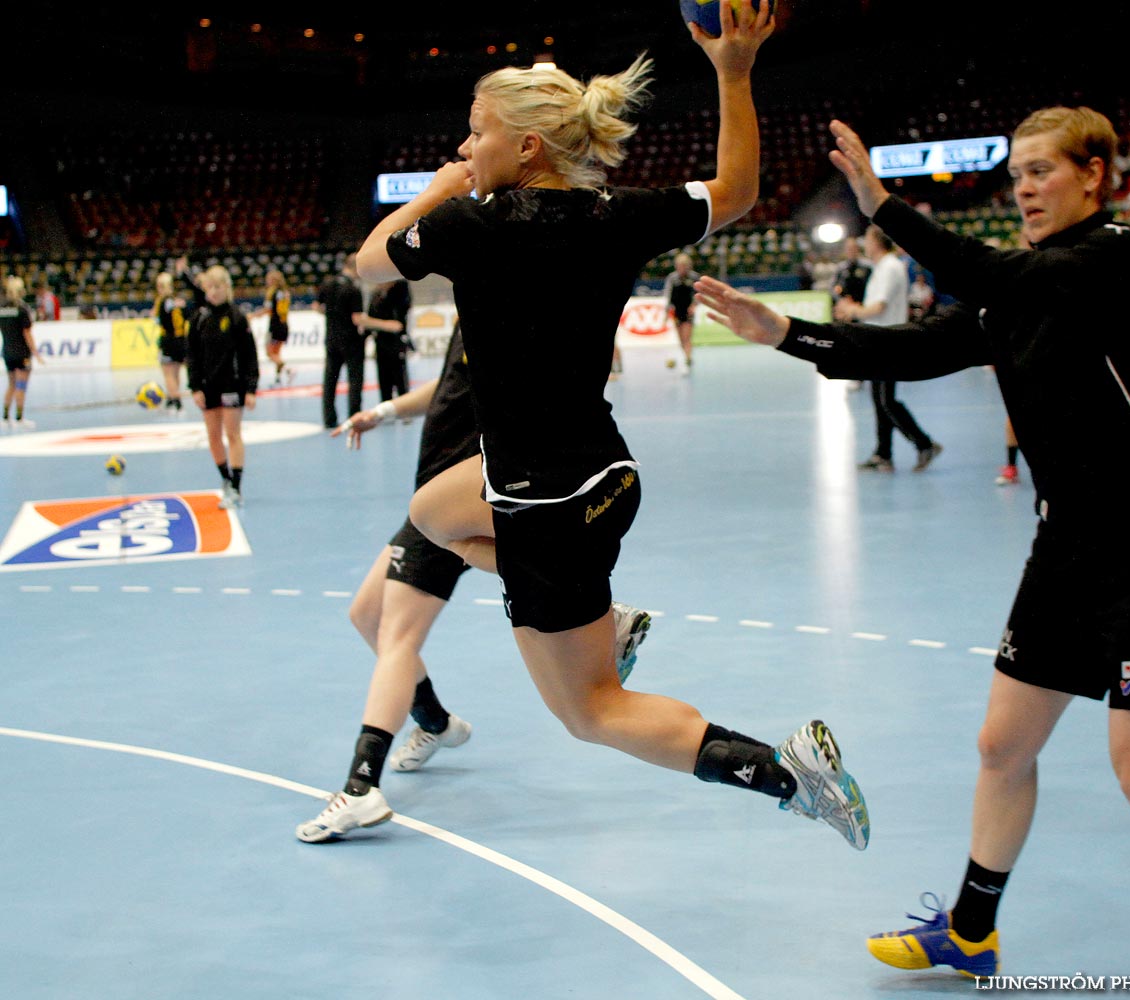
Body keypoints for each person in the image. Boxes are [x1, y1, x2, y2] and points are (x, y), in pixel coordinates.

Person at [695, 106, 1130, 997]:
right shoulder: (1016, 293)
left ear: (1093, 176)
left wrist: (882, 206)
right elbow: (910, 346)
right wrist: (784, 333)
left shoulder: (1122, 254)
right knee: (1001, 746)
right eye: (1015, 173)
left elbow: (993, 276)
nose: (1022, 187)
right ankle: (970, 936)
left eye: (1041, 171)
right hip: (1068, 540)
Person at [349, 1, 870, 850]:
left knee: (592, 714)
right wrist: (733, 73)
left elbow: (370, 261)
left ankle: (788, 770)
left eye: (476, 134)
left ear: (525, 146)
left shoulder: (466, 223)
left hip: (541, 505)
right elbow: (736, 191)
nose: (465, 148)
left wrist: (439, 188)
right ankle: (613, 619)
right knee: (431, 515)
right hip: (602, 475)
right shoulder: (616, 215)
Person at [297, 323, 654, 842]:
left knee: (397, 636)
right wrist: (386, 411)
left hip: (459, 494)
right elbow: (447, 389)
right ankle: (438, 723)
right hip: (431, 501)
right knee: (366, 615)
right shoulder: (473, 316)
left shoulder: (503, 318)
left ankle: (360, 787)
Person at [837, 225, 941, 473]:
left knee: (886, 400)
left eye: (868, 238)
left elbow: (879, 307)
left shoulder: (889, 267)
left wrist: (852, 311)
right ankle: (883, 453)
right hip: (878, 339)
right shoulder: (883, 267)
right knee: (880, 399)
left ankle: (923, 443)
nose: (864, 243)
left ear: (876, 242)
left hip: (887, 340)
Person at [186, 265, 258, 509]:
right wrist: (195, 387)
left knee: (232, 433)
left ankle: (237, 486)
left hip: (232, 384)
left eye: (219, 287)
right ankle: (225, 478)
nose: (214, 292)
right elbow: (192, 355)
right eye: (210, 287)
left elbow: (250, 355)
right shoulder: (198, 318)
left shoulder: (237, 316)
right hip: (208, 386)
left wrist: (250, 388)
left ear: (227, 288)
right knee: (213, 435)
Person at [317, 253, 367, 429]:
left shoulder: (328, 283)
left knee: (330, 380)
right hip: (351, 340)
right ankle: (354, 416)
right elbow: (357, 318)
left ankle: (329, 419)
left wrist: (333, 315)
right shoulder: (353, 289)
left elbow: (317, 306)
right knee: (355, 380)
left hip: (331, 338)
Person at [361, 278, 413, 403]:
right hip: (381, 341)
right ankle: (386, 404)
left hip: (396, 341)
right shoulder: (376, 295)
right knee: (383, 376)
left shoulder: (399, 292)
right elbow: (370, 318)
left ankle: (404, 405)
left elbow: (400, 321)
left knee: (400, 376)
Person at [2, 275, 42, 429]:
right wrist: (35, 352)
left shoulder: (2, 308)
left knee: (11, 384)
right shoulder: (22, 308)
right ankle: (19, 418)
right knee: (21, 385)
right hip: (22, 353)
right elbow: (27, 333)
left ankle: (5, 418)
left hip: (7, 352)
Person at [152, 272, 188, 413]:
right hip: (181, 339)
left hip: (168, 340)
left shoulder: (161, 301)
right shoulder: (177, 301)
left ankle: (175, 401)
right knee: (176, 372)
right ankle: (173, 397)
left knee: (168, 373)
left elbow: (157, 319)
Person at [252, 269, 293, 387]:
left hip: (275, 326)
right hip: (284, 324)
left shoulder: (272, 292)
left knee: (270, 353)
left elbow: (268, 309)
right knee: (277, 353)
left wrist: (253, 316)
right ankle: (278, 380)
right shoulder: (285, 292)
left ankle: (288, 370)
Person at [663, 252, 700, 372]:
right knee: (680, 338)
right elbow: (668, 295)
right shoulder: (672, 278)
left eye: (684, 266)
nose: (682, 268)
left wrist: (694, 305)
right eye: (680, 266)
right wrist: (666, 312)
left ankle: (688, 359)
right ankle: (685, 356)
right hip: (676, 311)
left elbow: (699, 293)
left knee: (686, 337)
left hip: (688, 311)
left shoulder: (694, 277)